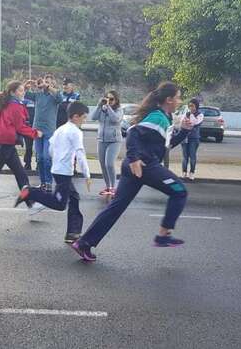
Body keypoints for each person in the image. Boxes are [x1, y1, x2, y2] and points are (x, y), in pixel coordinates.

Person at [70, 82, 194, 262]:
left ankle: (84, 243)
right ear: (168, 100)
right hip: (144, 165)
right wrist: (135, 158)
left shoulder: (164, 117)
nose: (179, 101)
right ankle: (163, 235)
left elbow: (168, 145)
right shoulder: (158, 117)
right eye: (178, 97)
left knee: (116, 207)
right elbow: (133, 132)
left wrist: (184, 131)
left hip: (135, 166)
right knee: (180, 192)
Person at [15, 101, 91, 243]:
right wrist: (87, 174)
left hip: (57, 169)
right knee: (60, 204)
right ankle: (30, 192)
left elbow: (50, 147)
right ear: (75, 116)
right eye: (84, 117)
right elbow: (80, 153)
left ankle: (73, 233)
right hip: (64, 172)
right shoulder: (76, 132)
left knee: (74, 197)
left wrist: (56, 160)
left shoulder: (60, 129)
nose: (84, 121)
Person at [24, 76, 60, 191]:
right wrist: (27, 85)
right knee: (39, 158)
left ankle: (49, 182)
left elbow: (61, 98)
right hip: (37, 130)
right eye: (44, 82)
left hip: (49, 131)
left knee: (46, 157)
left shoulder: (54, 97)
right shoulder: (38, 95)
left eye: (48, 83)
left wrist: (48, 87)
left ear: (52, 85)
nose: (44, 84)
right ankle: (43, 182)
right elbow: (25, 94)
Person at [91, 90, 123, 196]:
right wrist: (99, 105)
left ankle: (113, 187)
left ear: (116, 100)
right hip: (101, 140)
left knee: (109, 163)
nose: (109, 101)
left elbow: (116, 119)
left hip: (114, 141)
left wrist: (108, 107)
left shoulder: (119, 110)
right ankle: (108, 186)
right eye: (107, 98)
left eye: (112, 99)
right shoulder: (102, 109)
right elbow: (93, 117)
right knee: (102, 165)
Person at [180, 98, 203, 180]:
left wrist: (191, 117)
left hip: (194, 138)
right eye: (189, 106)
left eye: (192, 106)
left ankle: (192, 172)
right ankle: (184, 172)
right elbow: (182, 122)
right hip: (185, 138)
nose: (191, 108)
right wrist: (186, 121)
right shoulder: (186, 114)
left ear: (196, 106)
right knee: (185, 156)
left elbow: (195, 123)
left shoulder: (200, 115)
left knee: (192, 156)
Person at [21, 79, 36, 170]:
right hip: (28, 126)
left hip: (38, 126)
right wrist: (25, 86)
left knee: (39, 148)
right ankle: (27, 164)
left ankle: (39, 165)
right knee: (28, 147)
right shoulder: (25, 99)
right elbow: (18, 94)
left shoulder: (40, 97)